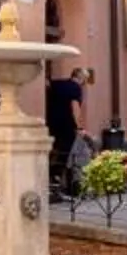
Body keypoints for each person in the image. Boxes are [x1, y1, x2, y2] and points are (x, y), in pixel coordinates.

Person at [46, 65, 88, 193]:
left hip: (51, 122)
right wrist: (79, 127)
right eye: (85, 79)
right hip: (66, 124)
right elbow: (75, 107)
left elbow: (47, 83)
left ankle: (51, 176)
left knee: (54, 149)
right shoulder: (76, 88)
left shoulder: (58, 83)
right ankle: (61, 179)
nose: (85, 82)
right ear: (80, 77)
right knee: (68, 152)